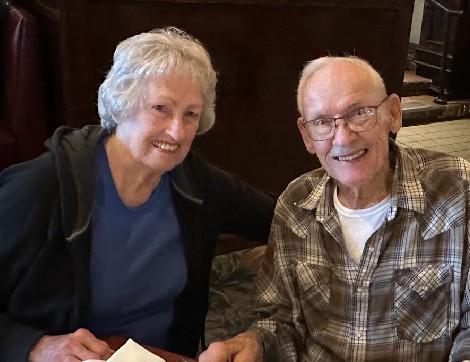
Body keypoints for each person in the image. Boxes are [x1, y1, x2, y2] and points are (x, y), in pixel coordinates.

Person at [0, 27, 275, 361]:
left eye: (190, 114)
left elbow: (280, 218)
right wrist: (34, 346)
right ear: (121, 104)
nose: (177, 131)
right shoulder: (41, 188)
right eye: (160, 108)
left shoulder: (195, 183)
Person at [199, 56, 470, 362]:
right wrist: (254, 343)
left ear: (393, 114)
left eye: (359, 113)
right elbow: (279, 318)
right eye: (322, 122)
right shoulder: (296, 204)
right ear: (307, 135)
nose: (343, 137)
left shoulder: (460, 190)